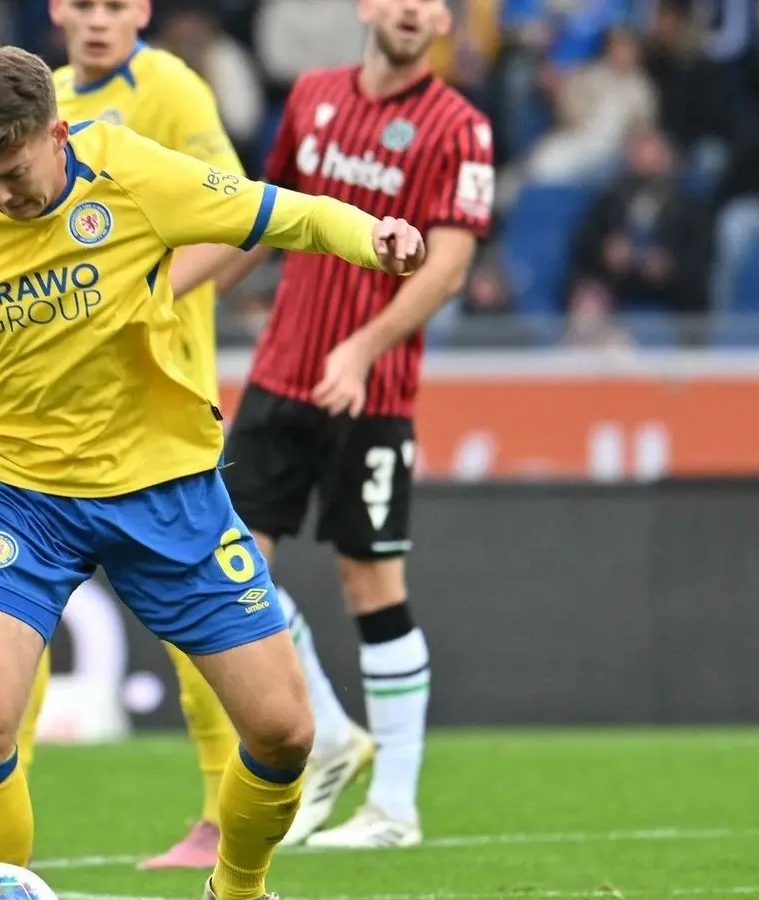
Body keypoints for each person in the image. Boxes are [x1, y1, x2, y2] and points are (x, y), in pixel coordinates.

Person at [0, 46, 424, 900]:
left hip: (164, 489)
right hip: (17, 500)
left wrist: (374, 236)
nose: (0, 195)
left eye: (14, 174)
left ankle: (238, 890)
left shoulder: (132, 172)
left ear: (57, 135)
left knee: (285, 732)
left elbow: (284, 214)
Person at [0, 0, 252, 871]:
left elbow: (240, 225)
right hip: (46, 416)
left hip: (152, 398)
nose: (97, 20)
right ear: (56, 11)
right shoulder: (34, 102)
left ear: (143, 11)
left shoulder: (170, 88)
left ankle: (219, 813)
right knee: (16, 614)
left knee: (195, 629)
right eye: (82, 4)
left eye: (115, 5)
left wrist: (143, 290)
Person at [213, 0, 494, 849]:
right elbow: (262, 221)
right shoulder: (311, 96)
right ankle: (332, 733)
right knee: (226, 564)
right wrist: (173, 295)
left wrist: (362, 349)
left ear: (442, 21)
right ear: (367, 7)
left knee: (370, 585)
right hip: (279, 373)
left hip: (371, 393)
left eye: (430, 2)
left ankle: (394, 810)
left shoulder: (460, 127)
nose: (411, 10)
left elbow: (448, 268)